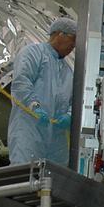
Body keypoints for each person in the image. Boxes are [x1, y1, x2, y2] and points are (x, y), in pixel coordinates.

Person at [8, 16, 78, 165]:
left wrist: (69, 115)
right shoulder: (33, 53)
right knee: (25, 175)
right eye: (73, 39)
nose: (74, 45)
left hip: (56, 139)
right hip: (29, 131)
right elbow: (21, 82)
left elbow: (74, 101)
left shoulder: (67, 71)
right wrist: (34, 106)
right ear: (60, 34)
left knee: (54, 180)